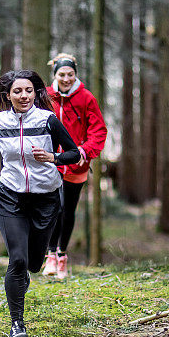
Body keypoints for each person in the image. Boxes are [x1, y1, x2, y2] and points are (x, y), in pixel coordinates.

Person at [0, 70, 80, 337]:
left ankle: (25, 273)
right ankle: (17, 324)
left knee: (34, 263)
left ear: (36, 93)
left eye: (28, 91)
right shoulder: (0, 122)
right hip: (11, 197)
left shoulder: (48, 120)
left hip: (46, 198)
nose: (23, 96)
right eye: (17, 91)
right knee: (18, 260)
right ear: (8, 95)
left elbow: (74, 152)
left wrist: (53, 157)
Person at [42, 53, 108, 279]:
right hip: (51, 163)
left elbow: (98, 130)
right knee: (55, 207)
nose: (66, 78)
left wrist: (84, 151)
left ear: (75, 74)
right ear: (55, 75)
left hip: (77, 164)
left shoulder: (86, 98)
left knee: (68, 210)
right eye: (62, 74)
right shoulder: (46, 96)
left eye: (70, 74)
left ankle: (62, 256)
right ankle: (50, 255)